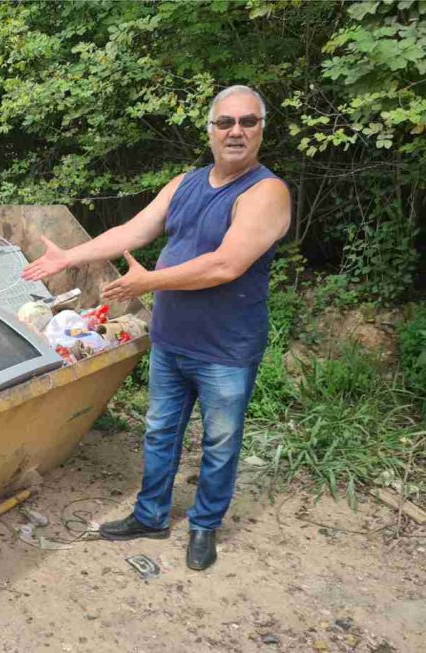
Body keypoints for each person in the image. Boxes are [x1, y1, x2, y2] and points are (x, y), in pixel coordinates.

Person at [22, 85, 291, 570]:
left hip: (225, 349)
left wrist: (147, 282)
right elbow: (133, 230)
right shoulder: (184, 183)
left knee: (220, 441)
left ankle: (205, 528)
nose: (235, 131)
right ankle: (151, 515)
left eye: (247, 122)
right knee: (161, 431)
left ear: (260, 130)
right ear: (209, 129)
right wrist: (70, 255)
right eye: (225, 122)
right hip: (171, 338)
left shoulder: (266, 192)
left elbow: (224, 266)